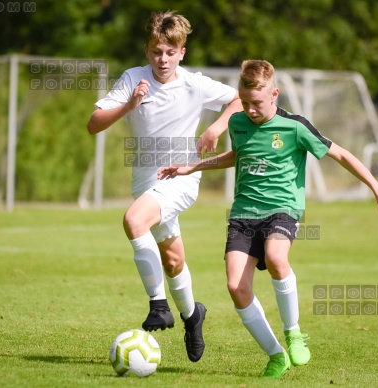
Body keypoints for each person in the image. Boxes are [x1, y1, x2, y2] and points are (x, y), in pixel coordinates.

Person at [158, 60, 378, 378]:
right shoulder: (239, 123)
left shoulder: (296, 127)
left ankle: (294, 333)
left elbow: (341, 154)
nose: (249, 109)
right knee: (235, 286)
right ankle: (275, 355)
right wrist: (193, 166)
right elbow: (239, 155)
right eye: (244, 102)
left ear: (275, 94)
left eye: (256, 103)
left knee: (275, 256)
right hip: (243, 214)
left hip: (282, 210)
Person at [86, 10, 242, 362]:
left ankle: (158, 305)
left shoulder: (195, 83)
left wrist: (216, 128)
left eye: (171, 52)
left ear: (181, 52)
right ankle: (192, 315)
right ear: (147, 50)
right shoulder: (133, 79)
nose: (163, 59)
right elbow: (94, 124)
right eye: (157, 51)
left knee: (133, 221)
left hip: (181, 178)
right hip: (145, 181)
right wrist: (129, 104)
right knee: (173, 260)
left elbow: (240, 99)